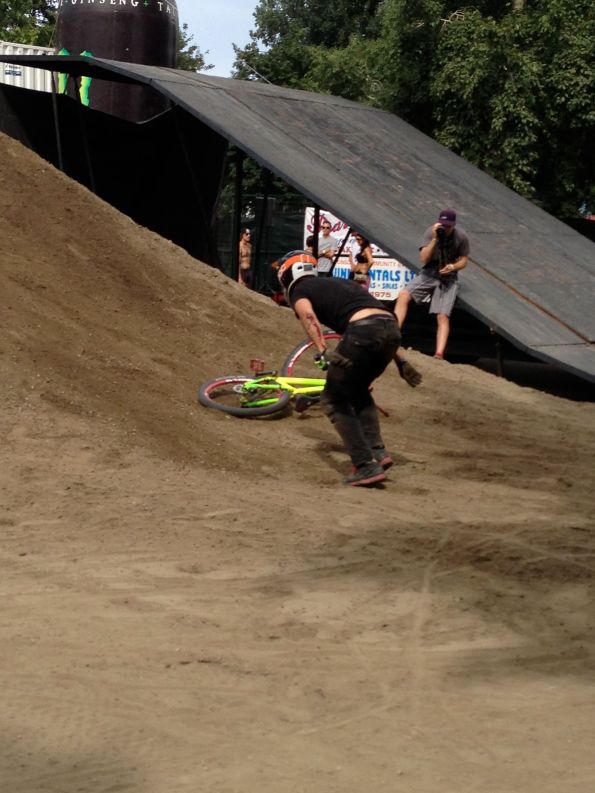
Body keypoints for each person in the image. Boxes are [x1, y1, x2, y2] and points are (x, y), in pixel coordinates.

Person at [277, 250, 401, 487]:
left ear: (286, 275)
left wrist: (322, 348)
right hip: (391, 331)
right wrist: (401, 361)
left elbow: (308, 315)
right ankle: (378, 452)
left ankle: (365, 465)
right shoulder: (338, 282)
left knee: (333, 399)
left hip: (363, 332)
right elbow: (380, 318)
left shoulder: (299, 290)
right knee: (357, 389)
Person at [395, 208, 469, 359]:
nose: (445, 228)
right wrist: (435, 239)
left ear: (453, 225)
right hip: (429, 272)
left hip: (448, 277)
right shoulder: (431, 232)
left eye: (448, 226)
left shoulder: (461, 236)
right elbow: (424, 259)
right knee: (403, 295)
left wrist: (453, 267)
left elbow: (464, 260)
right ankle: (393, 335)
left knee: (442, 316)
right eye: (442, 225)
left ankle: (439, 353)